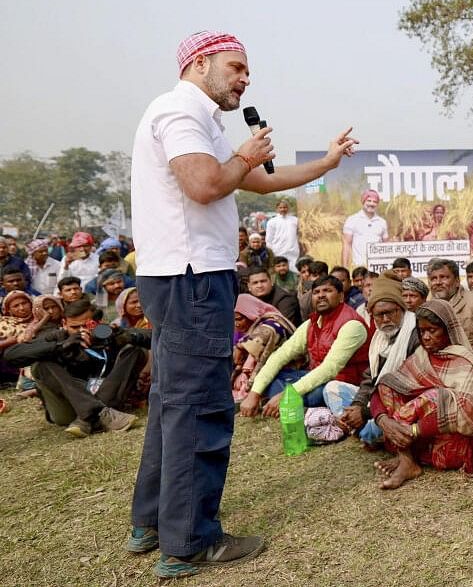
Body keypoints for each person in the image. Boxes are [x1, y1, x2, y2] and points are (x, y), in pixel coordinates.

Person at [127, 30, 357, 578]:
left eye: (247, 70)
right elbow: (205, 185)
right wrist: (244, 153)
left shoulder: (200, 119)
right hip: (192, 280)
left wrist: (325, 163)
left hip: (178, 279)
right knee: (200, 407)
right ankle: (189, 542)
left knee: (171, 403)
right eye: (236, 67)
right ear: (200, 63)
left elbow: (259, 181)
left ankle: (154, 523)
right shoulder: (181, 112)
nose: (245, 79)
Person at [368, 299, 473, 489]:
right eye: (422, 331)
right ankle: (407, 459)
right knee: (388, 383)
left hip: (457, 443)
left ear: (447, 330)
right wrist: (384, 422)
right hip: (417, 440)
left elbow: (466, 413)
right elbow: (382, 388)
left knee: (437, 397)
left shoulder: (463, 360)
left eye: (432, 330)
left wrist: (413, 431)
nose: (426, 337)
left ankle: (405, 456)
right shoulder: (421, 356)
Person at [3, 298, 148, 437]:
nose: (81, 331)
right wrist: (60, 346)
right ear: (64, 323)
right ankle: (96, 412)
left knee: (135, 350)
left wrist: (129, 336)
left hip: (109, 398)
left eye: (87, 325)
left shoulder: (107, 334)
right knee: (40, 365)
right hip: (68, 407)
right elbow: (11, 355)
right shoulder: (57, 337)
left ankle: (90, 418)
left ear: (98, 323)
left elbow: (156, 337)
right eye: (74, 327)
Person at [239, 275, 369, 416]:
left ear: (341, 296)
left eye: (327, 291)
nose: (321, 296)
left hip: (341, 384)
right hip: (317, 378)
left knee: (317, 394)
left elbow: (329, 369)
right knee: (274, 377)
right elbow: (281, 355)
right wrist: (254, 393)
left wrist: (287, 394)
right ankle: (293, 404)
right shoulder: (311, 323)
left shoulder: (351, 325)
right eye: (316, 292)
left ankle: (292, 404)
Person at [324, 273, 422, 446]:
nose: (385, 320)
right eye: (379, 315)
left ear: (401, 309)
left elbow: (410, 388)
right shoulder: (379, 337)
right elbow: (370, 378)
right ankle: (358, 424)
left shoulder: (416, 333)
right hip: (378, 400)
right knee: (331, 388)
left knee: (373, 429)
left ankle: (364, 430)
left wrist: (366, 411)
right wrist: (357, 405)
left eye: (390, 313)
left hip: (406, 402)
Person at [229, 293, 296, 404]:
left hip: (287, 374)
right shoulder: (252, 327)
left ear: (251, 313)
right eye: (234, 320)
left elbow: (259, 339)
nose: (237, 324)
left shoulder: (272, 325)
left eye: (239, 319)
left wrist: (240, 347)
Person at [342, 190, 388, 268]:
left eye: (375, 202)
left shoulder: (382, 222)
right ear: (363, 202)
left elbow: (386, 245)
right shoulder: (352, 219)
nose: (371, 204)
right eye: (369, 201)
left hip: (378, 266)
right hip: (359, 267)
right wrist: (344, 268)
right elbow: (346, 245)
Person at [264, 198, 300, 270]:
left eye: (285, 207)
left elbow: (299, 235)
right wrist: (271, 253)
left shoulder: (295, 220)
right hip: (278, 252)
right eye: (280, 207)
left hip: (293, 252)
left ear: (288, 208)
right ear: (277, 209)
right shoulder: (272, 221)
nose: (283, 209)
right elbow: (269, 239)